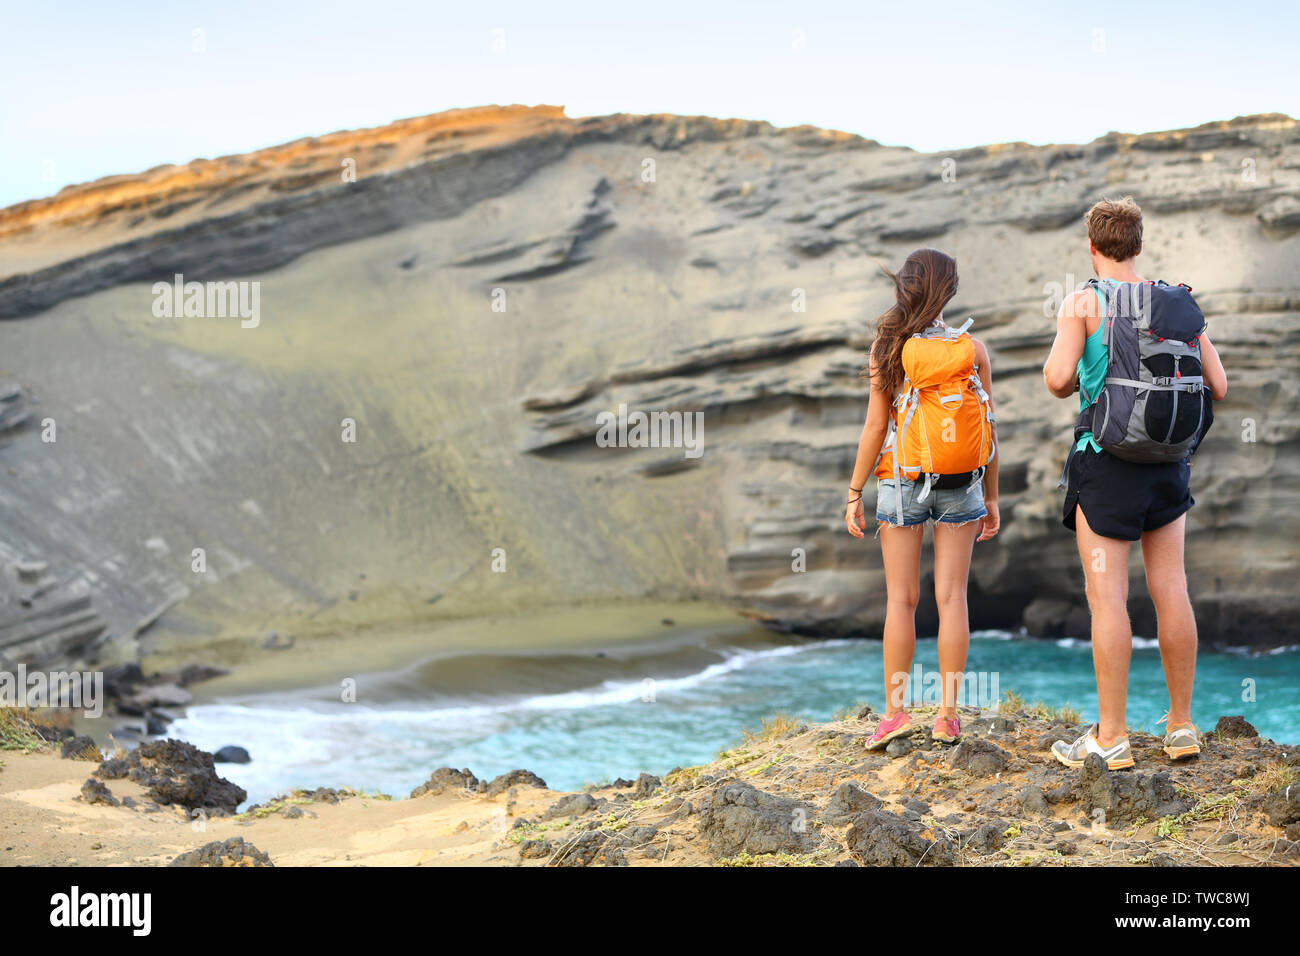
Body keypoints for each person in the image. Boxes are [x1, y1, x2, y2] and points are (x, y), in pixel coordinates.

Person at [1043, 197, 1227, 769]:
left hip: (1108, 466)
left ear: (1092, 247)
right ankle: (1180, 727)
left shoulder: (1083, 302)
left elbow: (1054, 380)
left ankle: (1113, 736)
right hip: (1169, 465)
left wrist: (1089, 354)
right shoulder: (1176, 301)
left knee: (1109, 600)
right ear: (1139, 245)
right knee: (1171, 585)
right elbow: (1217, 385)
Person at [845, 248, 1000, 749]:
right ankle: (947, 717)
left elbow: (875, 426)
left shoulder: (888, 346)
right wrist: (991, 498)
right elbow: (990, 429)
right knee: (952, 596)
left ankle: (895, 713)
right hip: (960, 482)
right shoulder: (972, 350)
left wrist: (854, 491)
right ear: (949, 291)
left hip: (901, 479)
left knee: (901, 599)